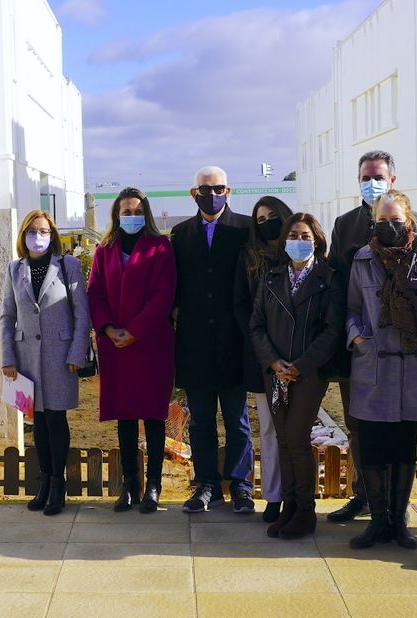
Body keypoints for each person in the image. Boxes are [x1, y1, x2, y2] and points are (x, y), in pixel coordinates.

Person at [344, 190, 417, 552]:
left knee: (404, 449)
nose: (389, 227)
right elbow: (351, 307)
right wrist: (358, 338)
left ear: (409, 221)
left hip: (413, 367)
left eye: (396, 220)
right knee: (371, 448)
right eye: (382, 221)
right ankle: (378, 522)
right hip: (373, 364)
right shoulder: (362, 259)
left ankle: (399, 522)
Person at [248, 212, 343, 539]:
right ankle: (289, 504)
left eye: (305, 236)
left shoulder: (328, 277)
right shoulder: (272, 276)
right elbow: (256, 324)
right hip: (274, 374)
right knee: (284, 438)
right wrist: (274, 362)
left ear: (316, 240)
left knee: (298, 439)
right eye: (293, 236)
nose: (299, 242)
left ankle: (305, 509)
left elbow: (332, 331)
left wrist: (300, 365)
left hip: (308, 374)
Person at [171, 165, 256, 514]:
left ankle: (240, 485)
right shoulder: (180, 233)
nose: (211, 194)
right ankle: (206, 484)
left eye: (218, 188)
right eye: (204, 189)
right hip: (195, 342)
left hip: (234, 340)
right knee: (202, 419)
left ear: (229, 191)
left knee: (237, 419)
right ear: (194, 194)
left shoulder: (246, 229)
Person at [89, 188, 177, 513]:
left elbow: (163, 294)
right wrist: (110, 330)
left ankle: (153, 485)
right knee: (125, 417)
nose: (131, 217)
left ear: (147, 214)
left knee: (153, 416)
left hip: (150, 344)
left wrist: (135, 331)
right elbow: (94, 292)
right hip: (116, 347)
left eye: (137, 211)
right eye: (125, 212)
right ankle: (129, 485)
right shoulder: (104, 250)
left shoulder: (160, 247)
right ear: (116, 215)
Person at [0, 210, 91, 517]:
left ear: (52, 235)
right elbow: (7, 316)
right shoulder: (16, 269)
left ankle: (58, 485)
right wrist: (8, 357)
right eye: (32, 231)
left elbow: (82, 312)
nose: (37, 236)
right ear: (23, 235)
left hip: (60, 355)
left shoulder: (67, 266)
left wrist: (78, 352)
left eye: (44, 231)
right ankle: (44, 481)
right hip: (26, 357)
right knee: (37, 422)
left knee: (55, 419)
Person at [325, 150, 396, 524]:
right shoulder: (344, 224)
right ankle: (362, 496)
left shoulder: (413, 222)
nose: (372, 184)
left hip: (400, 350)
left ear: (392, 181)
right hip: (358, 346)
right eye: (365, 178)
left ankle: (394, 505)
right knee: (357, 425)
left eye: (378, 177)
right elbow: (337, 283)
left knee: (395, 428)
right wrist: (350, 337)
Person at [234, 196, 295, 523]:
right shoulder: (249, 258)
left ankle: (297, 497)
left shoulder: (301, 250)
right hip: (264, 361)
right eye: (260, 218)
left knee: (297, 433)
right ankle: (273, 496)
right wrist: (267, 351)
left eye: (273, 215)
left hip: (300, 363)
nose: (267, 221)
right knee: (270, 431)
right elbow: (240, 306)